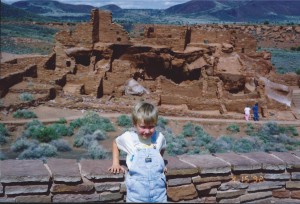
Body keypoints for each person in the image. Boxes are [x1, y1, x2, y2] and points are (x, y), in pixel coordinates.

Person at [108, 101, 167, 203]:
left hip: (159, 196)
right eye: (143, 127)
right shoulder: (129, 138)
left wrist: (161, 163)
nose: (147, 131)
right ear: (135, 124)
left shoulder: (159, 137)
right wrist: (115, 163)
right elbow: (115, 143)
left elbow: (163, 147)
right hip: (137, 197)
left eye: (151, 127)